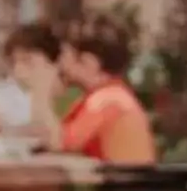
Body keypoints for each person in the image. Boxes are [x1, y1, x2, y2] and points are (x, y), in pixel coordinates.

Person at [57, 17, 159, 165]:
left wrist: (43, 87)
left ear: (88, 61)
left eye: (64, 55)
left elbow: (61, 142)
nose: (60, 63)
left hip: (128, 187)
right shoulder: (110, 94)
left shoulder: (106, 100)